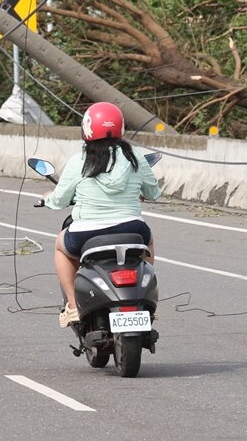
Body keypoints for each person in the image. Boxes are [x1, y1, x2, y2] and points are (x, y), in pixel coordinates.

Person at [43, 101, 160, 327]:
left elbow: (59, 200)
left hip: (86, 234)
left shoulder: (79, 161)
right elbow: (153, 192)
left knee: (60, 246)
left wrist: (46, 198)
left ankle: (73, 306)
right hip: (132, 230)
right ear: (121, 128)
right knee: (149, 239)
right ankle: (146, 299)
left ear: (87, 128)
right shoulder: (135, 158)